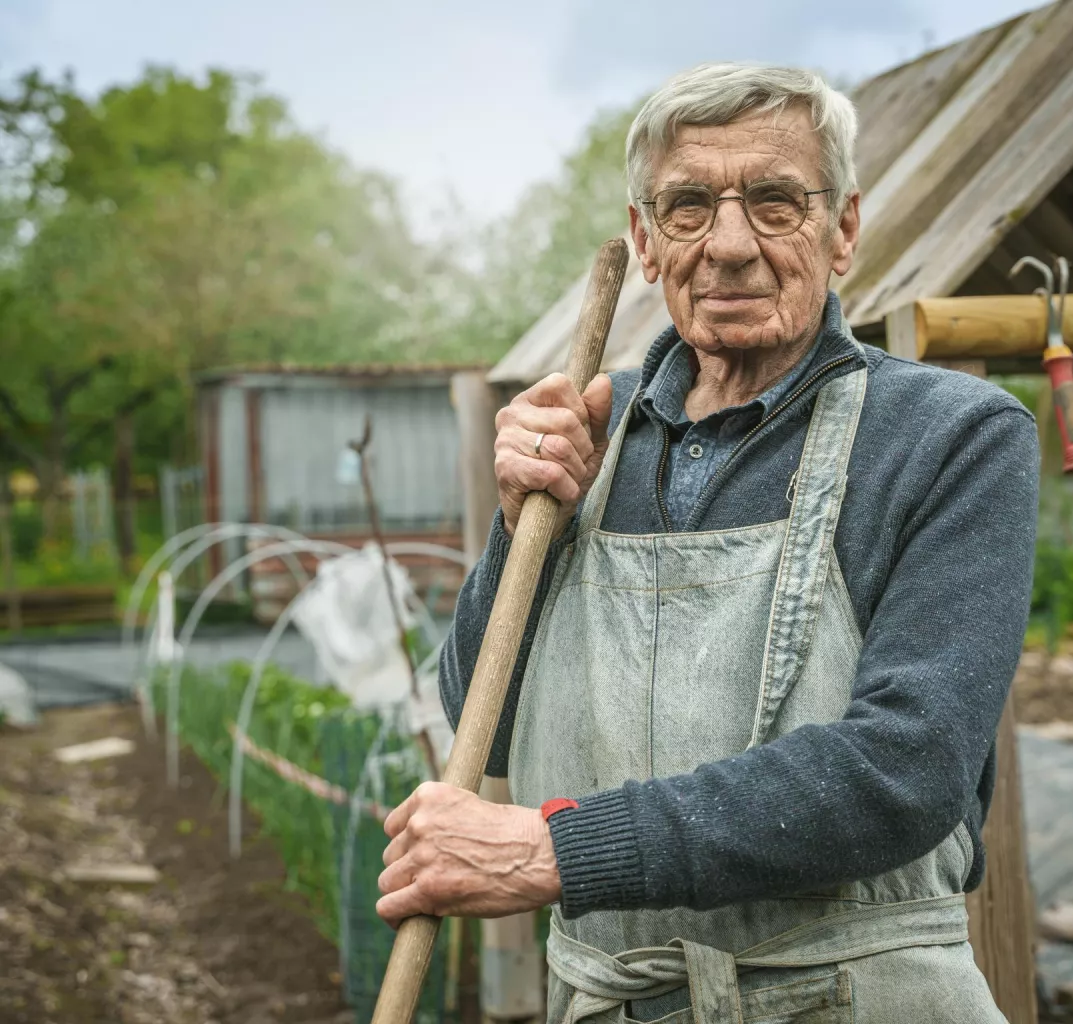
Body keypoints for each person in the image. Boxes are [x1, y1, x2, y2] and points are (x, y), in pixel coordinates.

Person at [376, 62, 1038, 1023]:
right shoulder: (591, 450)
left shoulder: (947, 436)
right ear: (646, 241)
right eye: (688, 206)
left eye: (775, 201)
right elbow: (497, 727)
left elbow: (904, 768)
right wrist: (522, 524)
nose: (729, 245)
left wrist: (552, 850)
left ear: (843, 227)